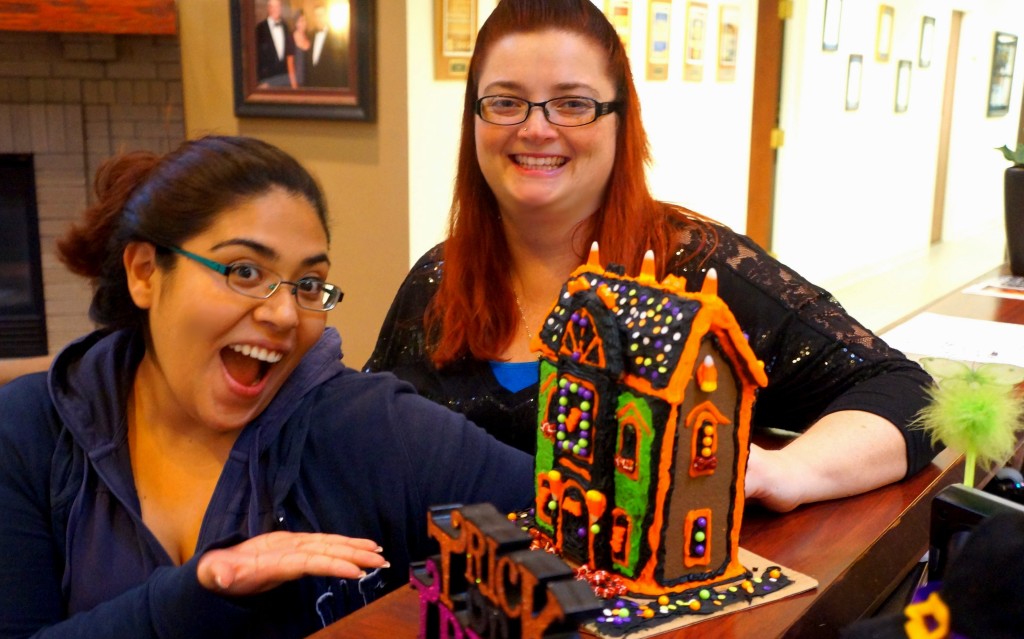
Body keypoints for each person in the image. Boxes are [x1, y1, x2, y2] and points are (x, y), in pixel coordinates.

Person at [365, 0, 938, 513]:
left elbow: (906, 393)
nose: (536, 128)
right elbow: (367, 431)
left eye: (572, 104)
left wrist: (787, 470)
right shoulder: (438, 278)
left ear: (621, 121)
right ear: (475, 119)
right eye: (506, 101)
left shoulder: (696, 270)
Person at [0, 135, 533, 638]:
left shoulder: (370, 426)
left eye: (307, 284)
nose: (283, 313)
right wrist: (200, 589)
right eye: (244, 272)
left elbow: (565, 522)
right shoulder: (29, 431)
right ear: (144, 272)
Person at [306, 2, 350, 88]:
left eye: (321, 15)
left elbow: (341, 65)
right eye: (316, 16)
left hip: (329, 85)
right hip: (312, 86)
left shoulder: (336, 37)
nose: (319, 19)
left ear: (326, 17)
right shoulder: (309, 36)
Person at [255, 0, 294, 87]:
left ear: (280, 8)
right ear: (268, 8)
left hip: (284, 80)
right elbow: (256, 57)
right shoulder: (260, 29)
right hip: (267, 81)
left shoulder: (285, 27)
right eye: (272, 7)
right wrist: (261, 81)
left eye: (277, 6)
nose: (275, 9)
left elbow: (289, 55)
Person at [288, 9, 311, 88]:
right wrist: (294, 85)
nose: (302, 23)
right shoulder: (291, 38)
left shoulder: (310, 37)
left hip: (310, 82)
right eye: (300, 21)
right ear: (295, 23)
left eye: (304, 20)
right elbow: (290, 64)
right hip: (297, 83)